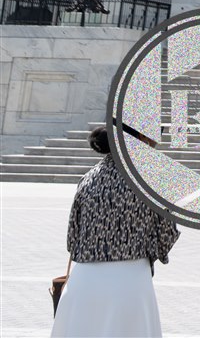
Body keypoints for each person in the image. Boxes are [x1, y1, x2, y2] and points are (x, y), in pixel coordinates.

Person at [52, 123, 179, 337]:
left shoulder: (88, 178)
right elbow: (166, 235)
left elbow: (72, 238)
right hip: (130, 279)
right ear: (141, 138)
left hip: (84, 280)